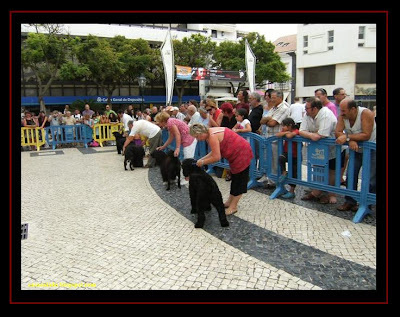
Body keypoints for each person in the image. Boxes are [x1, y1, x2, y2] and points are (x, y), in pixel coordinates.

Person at [189, 123, 253, 216]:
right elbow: (214, 151)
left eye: (197, 136)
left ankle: (233, 206)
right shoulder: (209, 133)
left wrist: (202, 162)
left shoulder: (212, 136)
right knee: (235, 179)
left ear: (201, 132)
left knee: (239, 181)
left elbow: (216, 157)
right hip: (237, 154)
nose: (197, 139)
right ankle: (229, 202)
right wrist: (202, 159)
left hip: (241, 154)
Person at [335, 98, 376, 211]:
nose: (341, 113)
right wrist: (351, 140)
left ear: (353, 109)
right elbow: (337, 132)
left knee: (370, 178)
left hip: (372, 149)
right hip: (356, 149)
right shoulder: (343, 116)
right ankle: (350, 201)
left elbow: (366, 134)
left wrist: (348, 137)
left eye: (344, 111)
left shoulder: (366, 113)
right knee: (351, 175)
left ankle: (366, 204)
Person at [299, 97, 341, 204]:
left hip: (333, 148)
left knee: (332, 171)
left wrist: (312, 134)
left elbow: (321, 135)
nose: (305, 110)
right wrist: (312, 134)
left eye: (307, 108)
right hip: (317, 149)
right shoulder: (307, 115)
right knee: (317, 168)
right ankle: (317, 192)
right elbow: (302, 131)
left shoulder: (326, 114)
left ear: (315, 108)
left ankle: (331, 193)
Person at [275, 117, 300, 199]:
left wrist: (286, 133)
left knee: (294, 172)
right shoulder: (285, 131)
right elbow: (277, 135)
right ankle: (284, 172)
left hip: (295, 155)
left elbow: (290, 136)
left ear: (289, 125)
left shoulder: (296, 130)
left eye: (284, 126)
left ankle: (292, 191)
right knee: (281, 158)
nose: (282, 128)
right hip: (286, 153)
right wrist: (285, 132)